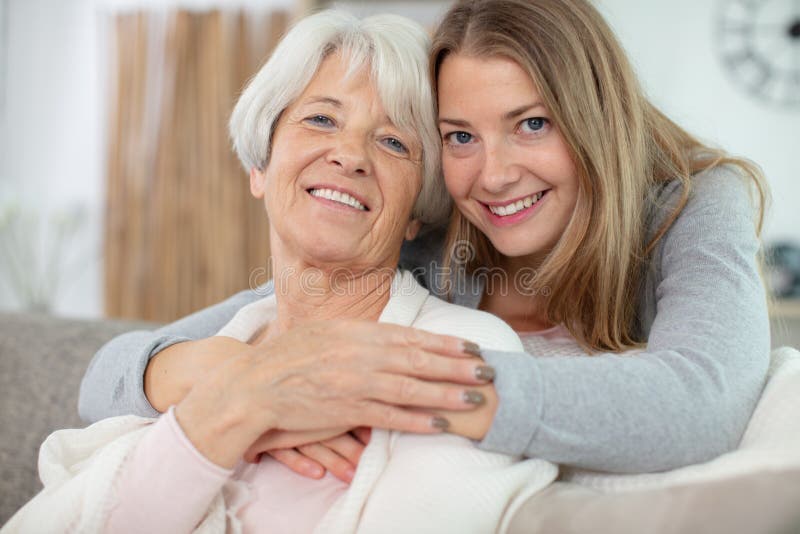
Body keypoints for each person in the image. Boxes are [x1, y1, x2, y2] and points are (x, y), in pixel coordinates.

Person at [78, 0, 770, 483]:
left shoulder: (691, 203)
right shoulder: (432, 243)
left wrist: (382, 390)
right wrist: (237, 376)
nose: (494, 176)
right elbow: (109, 374)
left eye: (531, 124)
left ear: (596, 119)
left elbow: (700, 400)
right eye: (459, 137)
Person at [4, 10, 558, 534]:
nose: (350, 155)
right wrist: (235, 405)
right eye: (321, 119)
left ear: (418, 211)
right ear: (260, 166)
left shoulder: (458, 349)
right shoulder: (216, 349)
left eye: (393, 141)